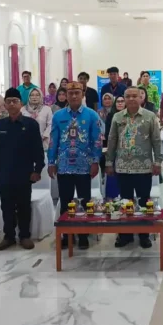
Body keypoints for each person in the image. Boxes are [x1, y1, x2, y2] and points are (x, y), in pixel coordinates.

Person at [106, 87, 163, 248]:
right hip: (122, 167)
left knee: (144, 202)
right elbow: (112, 140)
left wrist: (158, 161)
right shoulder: (117, 117)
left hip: (144, 167)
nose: (131, 99)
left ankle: (144, 234)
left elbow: (156, 140)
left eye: (134, 96)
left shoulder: (150, 116)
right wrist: (109, 162)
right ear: (124, 99)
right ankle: (126, 234)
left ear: (140, 98)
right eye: (128, 96)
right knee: (125, 202)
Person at [0, 88, 45, 251]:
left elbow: (38, 149)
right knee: (6, 206)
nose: (12, 104)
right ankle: (9, 236)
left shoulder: (31, 124)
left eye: (15, 101)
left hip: (24, 172)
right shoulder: (1, 125)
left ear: (21, 104)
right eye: (9, 101)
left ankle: (25, 236)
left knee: (23, 205)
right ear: (5, 105)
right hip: (4, 173)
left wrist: (38, 170)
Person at [48, 81, 102, 249]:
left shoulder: (92, 115)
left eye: (77, 92)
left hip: (84, 166)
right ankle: (67, 234)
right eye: (70, 93)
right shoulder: (58, 116)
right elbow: (53, 140)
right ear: (66, 95)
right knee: (65, 202)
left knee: (85, 201)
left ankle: (83, 234)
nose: (73, 96)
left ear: (82, 94)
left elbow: (97, 141)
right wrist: (51, 162)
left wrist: (95, 162)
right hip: (64, 166)